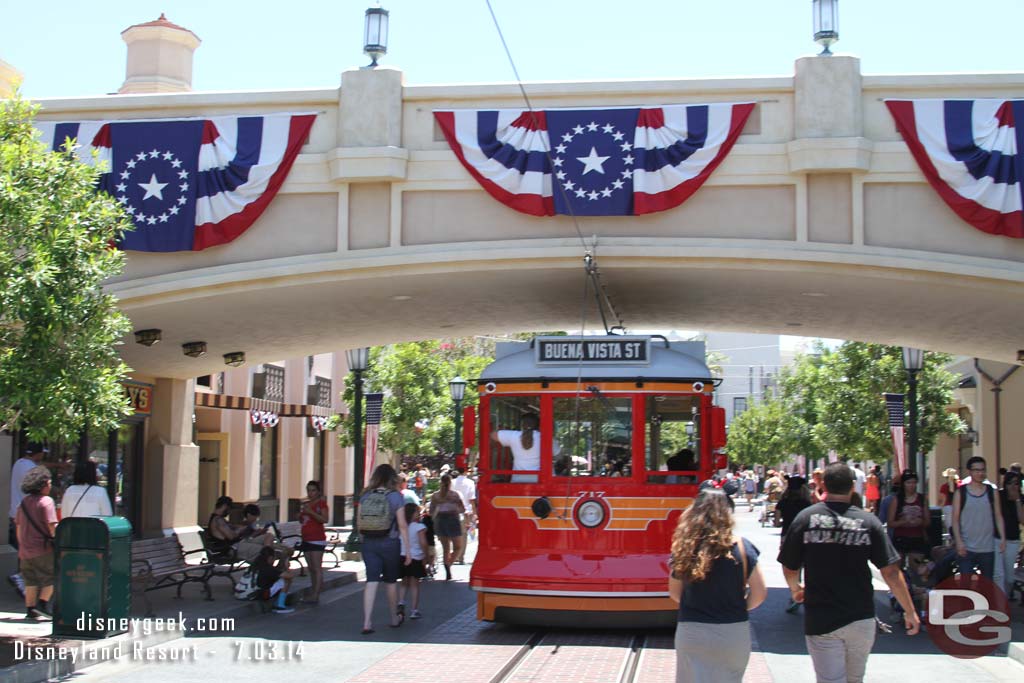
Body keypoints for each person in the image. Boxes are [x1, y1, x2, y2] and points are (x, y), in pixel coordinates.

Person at [779, 463, 919, 683]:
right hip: (860, 617)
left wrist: (795, 588)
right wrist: (909, 611)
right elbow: (891, 571)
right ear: (853, 487)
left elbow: (789, 565)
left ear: (823, 485)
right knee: (855, 679)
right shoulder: (868, 521)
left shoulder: (806, 519)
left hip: (821, 617)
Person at [668, 489, 766, 682]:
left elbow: (674, 592)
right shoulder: (742, 547)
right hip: (732, 631)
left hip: (692, 630)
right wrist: (738, 607)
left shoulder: (685, 548)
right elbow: (760, 593)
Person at [359, 464, 411, 634]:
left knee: (371, 580)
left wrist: (363, 540)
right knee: (390, 581)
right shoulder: (396, 497)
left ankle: (367, 622)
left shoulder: (365, 495)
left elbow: (359, 523)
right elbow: (402, 525)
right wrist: (408, 550)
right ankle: (394, 618)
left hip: (369, 542)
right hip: (390, 542)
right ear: (392, 478)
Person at [951, 456, 1005, 579]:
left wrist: (1002, 537)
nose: (980, 473)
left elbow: (998, 516)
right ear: (970, 471)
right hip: (966, 546)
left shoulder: (992, 491)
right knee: (966, 584)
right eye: (977, 470)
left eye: (983, 470)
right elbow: (955, 519)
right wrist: (959, 542)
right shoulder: (961, 493)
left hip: (987, 547)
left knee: (987, 585)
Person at [14, 466, 58, 620]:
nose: (51, 487)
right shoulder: (47, 502)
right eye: (49, 483)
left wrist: (22, 546)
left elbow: (18, 527)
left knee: (30, 581)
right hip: (43, 549)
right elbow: (51, 526)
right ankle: (42, 604)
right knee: (51, 578)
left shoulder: (24, 502)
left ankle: (30, 610)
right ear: (43, 484)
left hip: (25, 551)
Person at [8, 442, 47, 598]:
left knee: (23, 546)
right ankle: (21, 577)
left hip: (15, 512)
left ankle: (24, 580)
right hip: (27, 514)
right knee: (30, 548)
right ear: (37, 454)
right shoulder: (32, 469)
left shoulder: (18, 464)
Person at [774, 476, 812, 614]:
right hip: (805, 537)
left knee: (790, 567)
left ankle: (795, 593)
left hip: (787, 536)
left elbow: (777, 522)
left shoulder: (783, 502)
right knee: (806, 565)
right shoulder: (807, 504)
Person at [491, 413, 550, 482]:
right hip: (539, 481)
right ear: (538, 425)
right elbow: (557, 455)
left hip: (518, 481)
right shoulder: (545, 437)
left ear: (522, 425)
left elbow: (493, 435)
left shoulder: (514, 435)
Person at [429, 474, 466, 581]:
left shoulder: (435, 496)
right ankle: (449, 564)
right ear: (450, 483)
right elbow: (462, 509)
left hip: (440, 521)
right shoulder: (455, 495)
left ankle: (447, 569)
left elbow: (431, 511)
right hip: (452, 520)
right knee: (458, 547)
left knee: (446, 548)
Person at [298, 480, 329, 604]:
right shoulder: (306, 504)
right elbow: (303, 519)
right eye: (308, 490)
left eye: (313, 490)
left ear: (318, 492)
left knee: (316, 567)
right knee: (310, 568)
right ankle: (313, 591)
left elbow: (325, 519)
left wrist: (310, 512)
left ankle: (316, 594)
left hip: (317, 539)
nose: (310, 493)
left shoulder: (321, 504)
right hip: (306, 538)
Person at [887, 471, 930, 558]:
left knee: (917, 565)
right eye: (908, 482)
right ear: (903, 484)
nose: (911, 485)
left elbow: (928, 521)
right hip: (900, 537)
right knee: (898, 566)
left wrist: (920, 522)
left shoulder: (922, 499)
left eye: (914, 482)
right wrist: (902, 522)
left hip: (917, 537)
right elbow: (890, 523)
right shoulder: (897, 500)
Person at [397, 503, 429, 619]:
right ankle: (414, 610)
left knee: (404, 581)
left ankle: (401, 601)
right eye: (417, 511)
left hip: (402, 556)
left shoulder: (401, 526)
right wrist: (426, 556)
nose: (419, 514)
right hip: (416, 557)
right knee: (415, 584)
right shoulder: (419, 527)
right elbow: (423, 543)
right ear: (413, 514)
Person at [994, 471, 1022, 596]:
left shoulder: (1020, 498)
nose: (1013, 486)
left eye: (1016, 483)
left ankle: (1005, 594)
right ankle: (1000, 603)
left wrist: (1017, 501)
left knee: (1009, 577)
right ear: (1005, 484)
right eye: (1010, 483)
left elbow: (1022, 520)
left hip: (1013, 540)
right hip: (997, 539)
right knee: (999, 574)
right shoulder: (999, 495)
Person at [251, 546, 297, 614]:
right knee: (286, 581)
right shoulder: (268, 568)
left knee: (279, 580)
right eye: (274, 558)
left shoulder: (256, 563)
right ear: (270, 558)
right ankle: (280, 605)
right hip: (261, 594)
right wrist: (287, 568)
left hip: (251, 591)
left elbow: (275, 573)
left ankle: (280, 598)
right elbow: (290, 576)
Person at [451, 467, 477, 563]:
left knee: (454, 533)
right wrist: (475, 513)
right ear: (465, 472)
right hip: (466, 511)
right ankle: (461, 556)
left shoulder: (452, 482)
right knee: (464, 535)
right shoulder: (470, 483)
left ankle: (455, 554)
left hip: (453, 511)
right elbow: (472, 499)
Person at [939, 467, 960, 534]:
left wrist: (940, 507)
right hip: (957, 507)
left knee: (949, 527)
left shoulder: (944, 487)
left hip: (947, 507)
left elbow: (943, 499)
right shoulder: (959, 486)